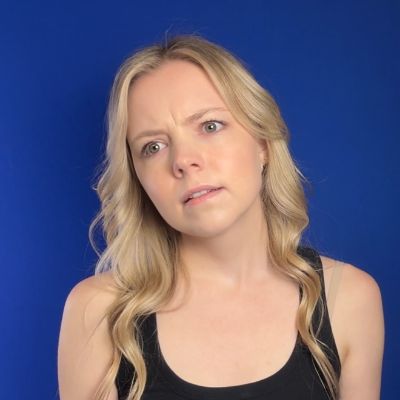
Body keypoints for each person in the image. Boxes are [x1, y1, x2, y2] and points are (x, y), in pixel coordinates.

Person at [57, 34, 384, 400]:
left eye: (210, 126)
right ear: (138, 179)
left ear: (262, 143)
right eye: (153, 146)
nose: (183, 160)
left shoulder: (349, 299)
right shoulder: (99, 313)